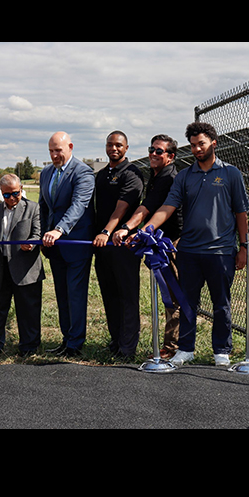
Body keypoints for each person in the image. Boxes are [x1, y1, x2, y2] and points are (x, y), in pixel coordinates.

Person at [138, 122, 249, 368]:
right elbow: (167, 207)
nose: (197, 149)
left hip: (220, 252)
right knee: (188, 302)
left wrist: (243, 247)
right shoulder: (185, 176)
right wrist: (148, 229)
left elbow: (241, 212)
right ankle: (186, 349)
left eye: (201, 143)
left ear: (213, 143)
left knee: (221, 304)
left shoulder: (231, 173)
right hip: (188, 250)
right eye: (193, 145)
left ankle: (222, 350)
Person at [113, 134, 182, 359]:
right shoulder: (156, 175)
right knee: (168, 295)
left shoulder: (169, 177)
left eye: (159, 151)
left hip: (171, 243)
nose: (153, 153)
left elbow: (148, 207)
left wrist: (127, 228)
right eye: (151, 149)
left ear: (170, 157)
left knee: (173, 296)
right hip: (161, 241)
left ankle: (172, 350)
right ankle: (172, 346)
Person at [39, 132, 95, 358]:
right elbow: (44, 207)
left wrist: (59, 230)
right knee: (61, 295)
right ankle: (66, 338)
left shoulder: (83, 172)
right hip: (54, 246)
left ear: (70, 147)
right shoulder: (46, 173)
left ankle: (76, 344)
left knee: (75, 294)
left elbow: (78, 205)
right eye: (51, 151)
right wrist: (44, 233)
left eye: (58, 150)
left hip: (75, 244)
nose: (54, 155)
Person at [93, 131, 145, 361]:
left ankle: (128, 347)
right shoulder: (102, 174)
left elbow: (122, 207)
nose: (114, 149)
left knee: (127, 295)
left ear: (126, 148)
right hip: (103, 246)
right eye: (110, 145)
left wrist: (107, 231)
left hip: (123, 245)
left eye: (119, 145)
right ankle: (115, 341)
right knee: (109, 293)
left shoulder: (132, 174)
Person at [0, 174, 45, 357]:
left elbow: (37, 233)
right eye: (6, 195)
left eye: (15, 193)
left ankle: (29, 346)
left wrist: (31, 244)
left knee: (28, 310)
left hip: (25, 268)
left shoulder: (33, 208)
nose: (11, 198)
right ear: (1, 193)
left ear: (21, 188)